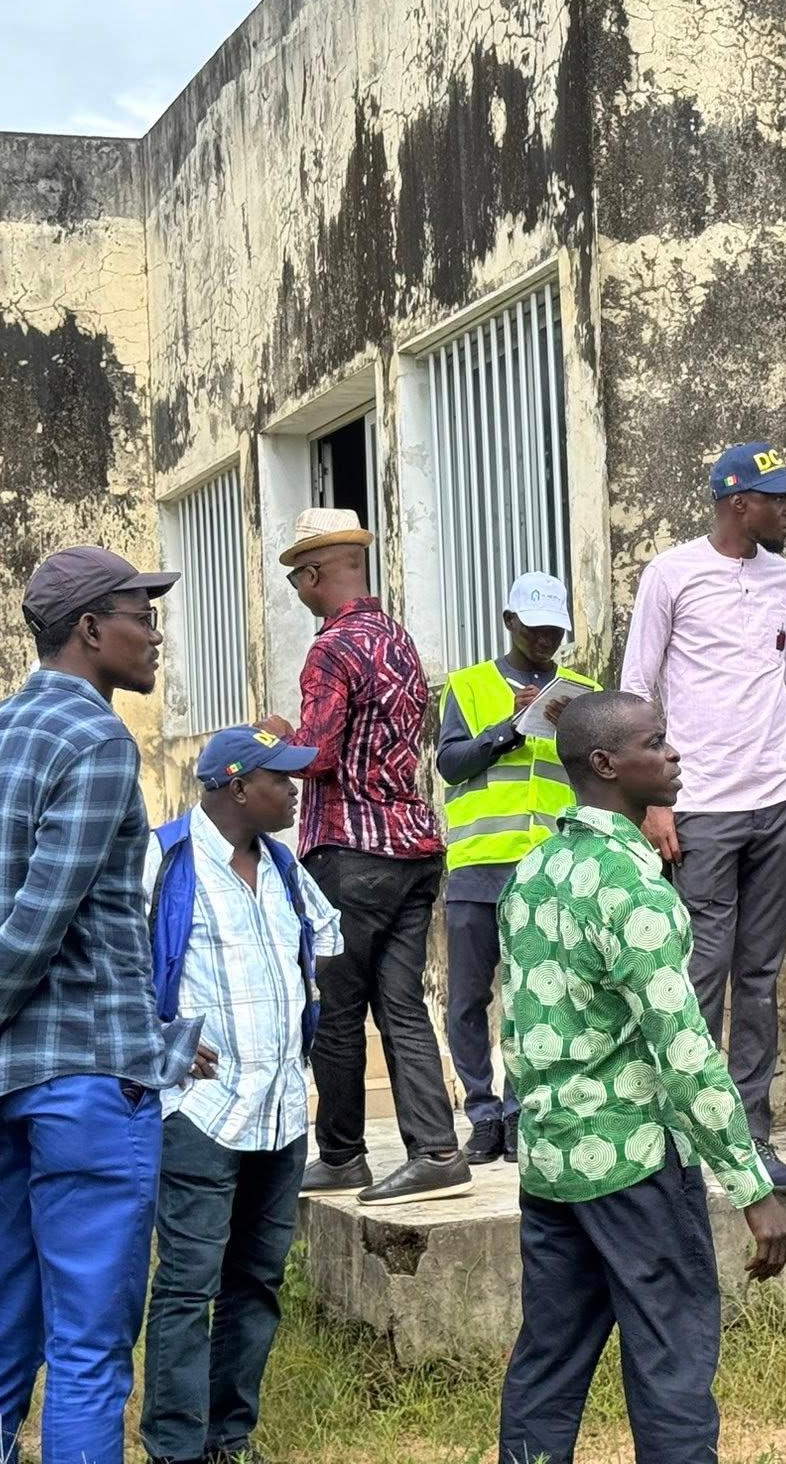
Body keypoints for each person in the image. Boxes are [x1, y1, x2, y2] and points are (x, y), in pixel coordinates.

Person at [0, 546, 208, 1464]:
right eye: (139, 615)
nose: (154, 634)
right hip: (88, 1091)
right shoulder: (99, 741)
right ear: (88, 630)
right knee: (88, 1352)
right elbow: (43, 915)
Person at [497, 691, 786, 1463]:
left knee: (549, 1360)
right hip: (633, 1164)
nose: (673, 754)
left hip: (554, 1159)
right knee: (672, 1356)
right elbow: (684, 1048)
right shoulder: (633, 889)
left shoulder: (533, 870)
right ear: (605, 764)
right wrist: (753, 1188)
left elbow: (518, 1027)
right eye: (656, 743)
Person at [619, 443, 786, 1199]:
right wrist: (656, 801)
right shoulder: (672, 574)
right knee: (697, 973)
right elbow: (639, 689)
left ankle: (752, 1135)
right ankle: (689, 1137)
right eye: (778, 498)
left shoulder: (783, 577)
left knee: (761, 976)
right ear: (740, 504)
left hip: (778, 802)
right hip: (701, 806)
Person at [140, 726, 341, 1464]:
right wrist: (156, 1040)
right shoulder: (163, 859)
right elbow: (108, 963)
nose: (295, 792)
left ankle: (231, 1439)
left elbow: (326, 943)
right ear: (234, 785)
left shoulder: (286, 866)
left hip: (282, 1112)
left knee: (256, 1281)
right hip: (201, 1113)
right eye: (280, 780)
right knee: (189, 1289)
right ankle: (175, 1448)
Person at [261, 508, 468, 1206]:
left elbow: (316, 754)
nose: (297, 592)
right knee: (401, 1003)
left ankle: (344, 1154)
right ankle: (437, 1149)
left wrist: (270, 738)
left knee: (339, 1008)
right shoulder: (399, 641)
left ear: (315, 575)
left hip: (349, 851)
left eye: (296, 581)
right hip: (413, 846)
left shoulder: (331, 650)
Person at [436, 571, 598, 1166]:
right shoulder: (470, 684)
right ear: (509, 623)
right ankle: (481, 1114)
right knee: (469, 999)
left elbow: (597, 767)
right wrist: (508, 729)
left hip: (551, 871)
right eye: (533, 630)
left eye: (554, 631)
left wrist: (559, 723)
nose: (544, 641)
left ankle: (518, 1110)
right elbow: (450, 764)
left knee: (537, 999)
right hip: (479, 867)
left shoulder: (582, 690)